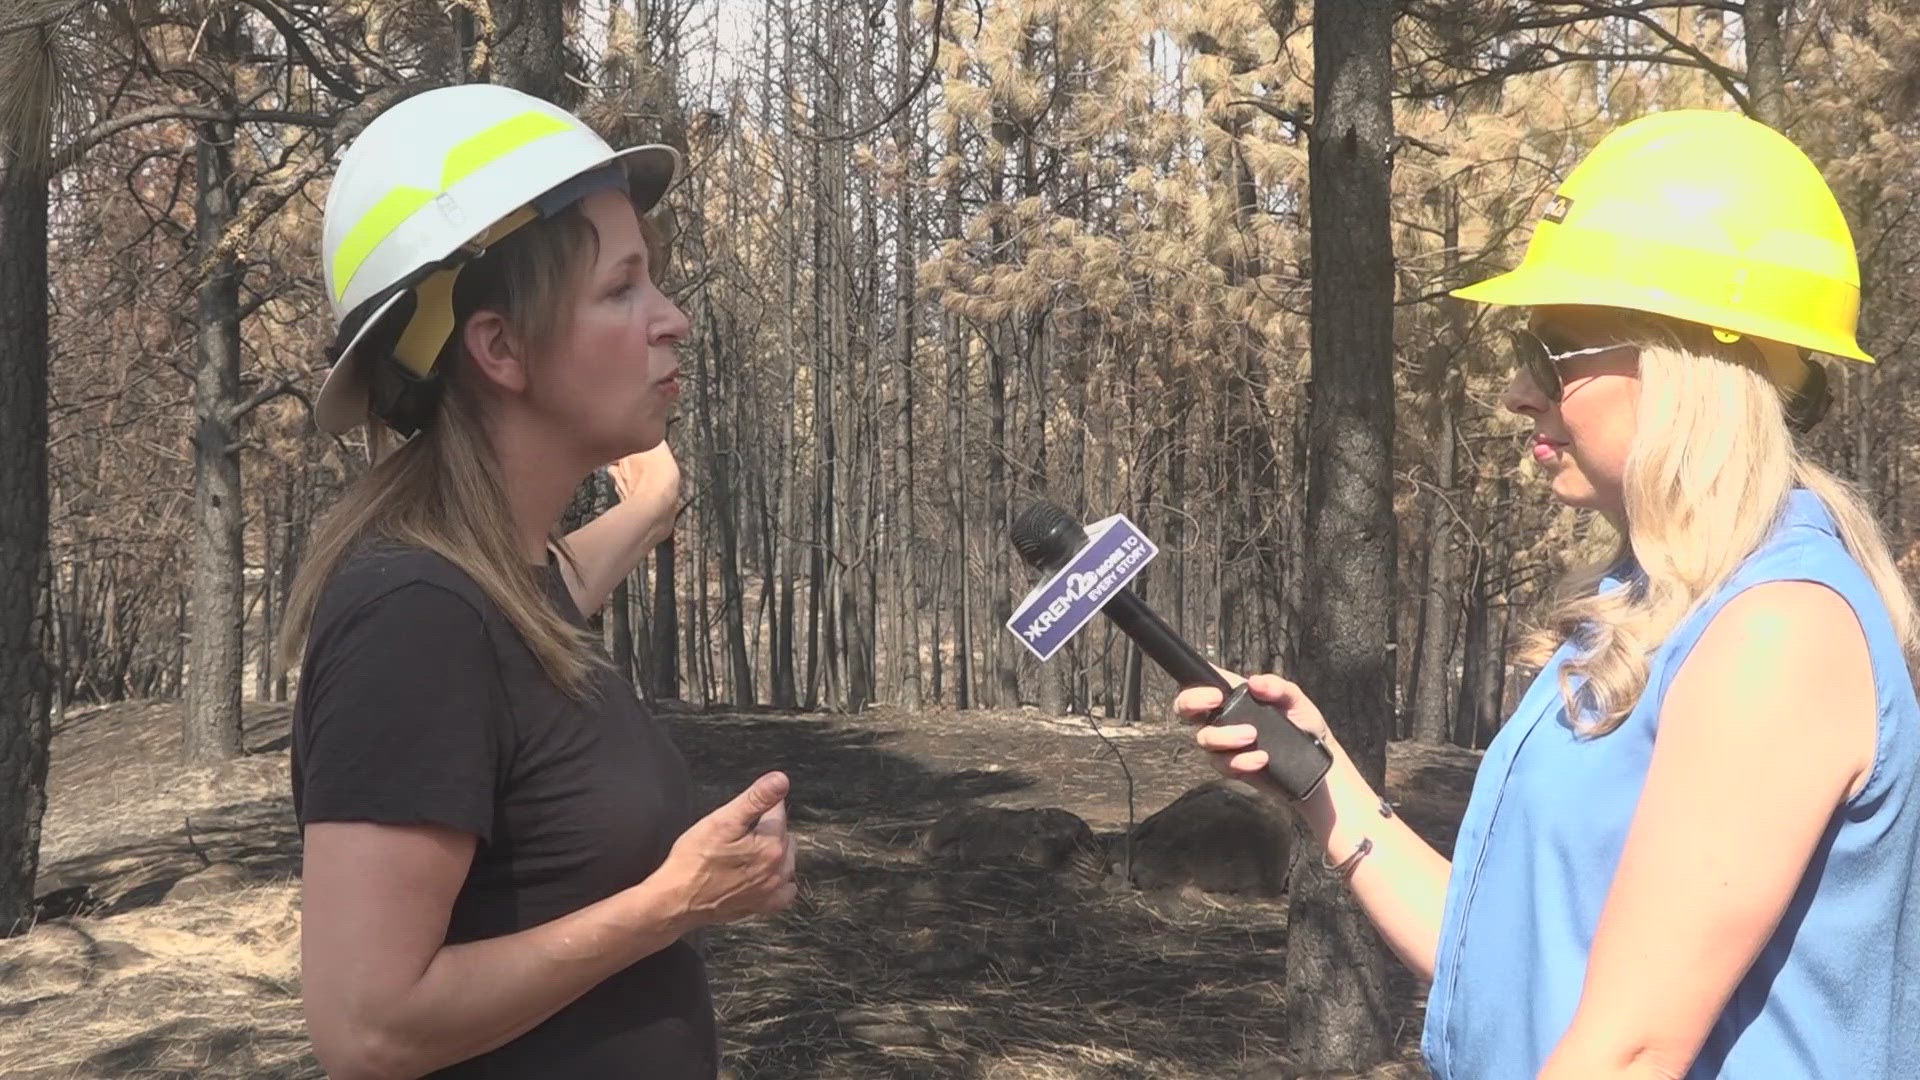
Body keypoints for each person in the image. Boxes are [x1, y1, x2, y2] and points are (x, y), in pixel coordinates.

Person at [1178, 110, 1920, 1078]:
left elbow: (1632, 1052)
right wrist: (1322, 785)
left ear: (1690, 366)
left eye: (1554, 351)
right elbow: (1500, 965)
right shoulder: (1647, 607)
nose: (1519, 393)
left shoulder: (1775, 632)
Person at [278, 83, 795, 1080]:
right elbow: (366, 1029)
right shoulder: (416, 619)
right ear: (501, 348)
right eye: (622, 289)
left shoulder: (499, 585)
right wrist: (674, 903)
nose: (674, 320)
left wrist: (649, 506)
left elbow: (552, 596)